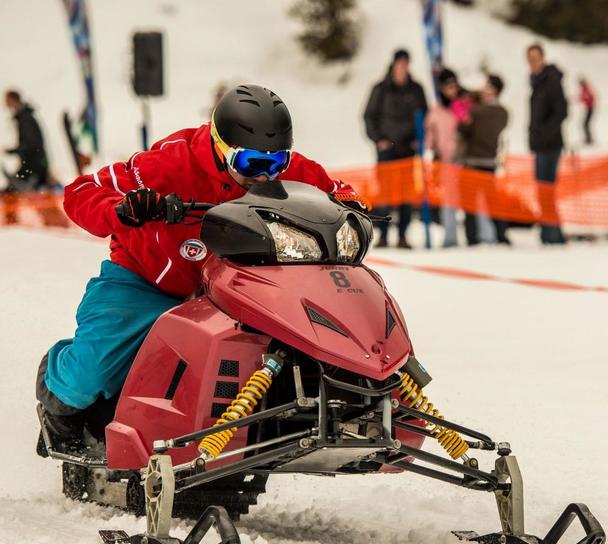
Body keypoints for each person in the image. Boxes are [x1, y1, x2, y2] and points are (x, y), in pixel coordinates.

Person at [36, 84, 366, 448]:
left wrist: (351, 207)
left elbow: (338, 191)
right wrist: (125, 208)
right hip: (148, 281)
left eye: (276, 164)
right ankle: (59, 389)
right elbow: (82, 191)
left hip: (239, 292)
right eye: (251, 164)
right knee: (88, 375)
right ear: (222, 148)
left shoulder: (286, 170)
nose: (265, 177)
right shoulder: (169, 163)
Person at [364, 49, 428, 248]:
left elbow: (425, 116)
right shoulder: (380, 89)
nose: (402, 67)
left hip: (408, 149)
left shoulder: (416, 89)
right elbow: (369, 115)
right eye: (399, 63)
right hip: (386, 149)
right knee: (384, 194)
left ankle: (402, 235)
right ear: (394, 64)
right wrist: (378, 139)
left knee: (406, 195)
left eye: (405, 63)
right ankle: (383, 234)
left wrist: (419, 140)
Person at [459, 74, 510, 245]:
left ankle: (474, 238)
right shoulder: (502, 113)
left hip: (476, 161)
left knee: (474, 204)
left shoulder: (483, 112)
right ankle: (500, 235)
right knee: (490, 202)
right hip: (488, 161)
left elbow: (467, 128)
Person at [526, 43, 567, 245]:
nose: (533, 63)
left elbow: (561, 111)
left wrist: (544, 133)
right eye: (530, 59)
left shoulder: (551, 81)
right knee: (543, 190)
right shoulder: (536, 83)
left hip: (550, 145)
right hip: (540, 145)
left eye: (535, 58)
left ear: (542, 58)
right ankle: (550, 233)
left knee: (546, 189)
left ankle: (552, 235)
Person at [424, 68, 463, 247]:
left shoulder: (461, 106)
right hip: (445, 162)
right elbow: (429, 136)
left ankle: (478, 236)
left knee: (468, 199)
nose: (451, 90)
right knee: (449, 200)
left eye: (454, 86)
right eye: (448, 86)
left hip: (463, 160)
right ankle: (451, 237)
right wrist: (427, 146)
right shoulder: (436, 111)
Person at [3, 90, 48, 191]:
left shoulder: (25, 118)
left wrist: (12, 151)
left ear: (12, 100)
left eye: (6, 100)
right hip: (32, 164)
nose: (4, 103)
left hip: (34, 166)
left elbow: (31, 144)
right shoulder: (23, 117)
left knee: (14, 191)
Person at [578, 78, 595, 145]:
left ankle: (589, 139)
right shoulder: (584, 89)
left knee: (585, 124)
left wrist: (585, 100)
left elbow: (589, 97)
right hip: (588, 108)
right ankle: (588, 138)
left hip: (590, 108)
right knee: (585, 124)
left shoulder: (587, 89)